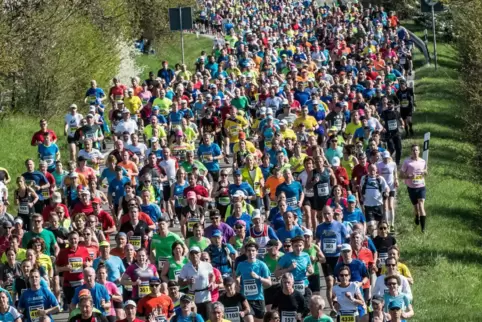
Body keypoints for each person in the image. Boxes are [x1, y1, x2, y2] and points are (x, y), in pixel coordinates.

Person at [315, 206, 348, 313]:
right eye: (325, 214)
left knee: (338, 282)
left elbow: (348, 240)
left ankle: (339, 302)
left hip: (338, 257)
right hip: (326, 258)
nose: (327, 216)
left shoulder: (340, 225)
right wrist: (318, 249)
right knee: (329, 282)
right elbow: (317, 240)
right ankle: (332, 308)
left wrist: (341, 246)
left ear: (333, 213)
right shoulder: (320, 227)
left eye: (329, 213)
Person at [235, 242, 271, 322]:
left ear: (257, 252)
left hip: (258, 298)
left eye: (253, 250)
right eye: (249, 251)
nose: (251, 253)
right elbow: (236, 275)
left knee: (261, 320)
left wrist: (258, 277)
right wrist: (237, 282)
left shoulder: (262, 265)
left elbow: (269, 283)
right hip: (245, 299)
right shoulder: (241, 265)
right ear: (246, 252)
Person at [178, 246, 214, 320]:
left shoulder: (207, 265)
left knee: (208, 319)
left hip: (206, 296)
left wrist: (211, 283)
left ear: (200, 254)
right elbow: (180, 282)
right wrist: (188, 282)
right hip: (193, 297)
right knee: (195, 319)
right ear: (189, 256)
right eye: (192, 253)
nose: (194, 255)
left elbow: (212, 276)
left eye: (196, 253)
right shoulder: (186, 267)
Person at [400, 144, 427, 233]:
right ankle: (417, 216)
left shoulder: (423, 161)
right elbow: (401, 175)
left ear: (419, 151)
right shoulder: (407, 162)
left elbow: (426, 172)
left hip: (421, 187)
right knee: (416, 208)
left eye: (416, 150)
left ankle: (423, 229)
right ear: (411, 152)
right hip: (411, 188)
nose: (415, 152)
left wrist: (424, 173)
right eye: (413, 150)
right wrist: (409, 176)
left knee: (421, 205)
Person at [359, 164, 389, 237]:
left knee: (381, 226)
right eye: (371, 170)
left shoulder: (380, 179)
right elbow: (360, 188)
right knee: (371, 227)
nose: (372, 171)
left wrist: (387, 192)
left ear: (376, 170)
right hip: (368, 206)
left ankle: (380, 240)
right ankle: (373, 239)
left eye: (374, 170)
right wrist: (361, 196)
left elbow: (387, 188)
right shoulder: (364, 178)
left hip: (378, 205)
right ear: (368, 170)